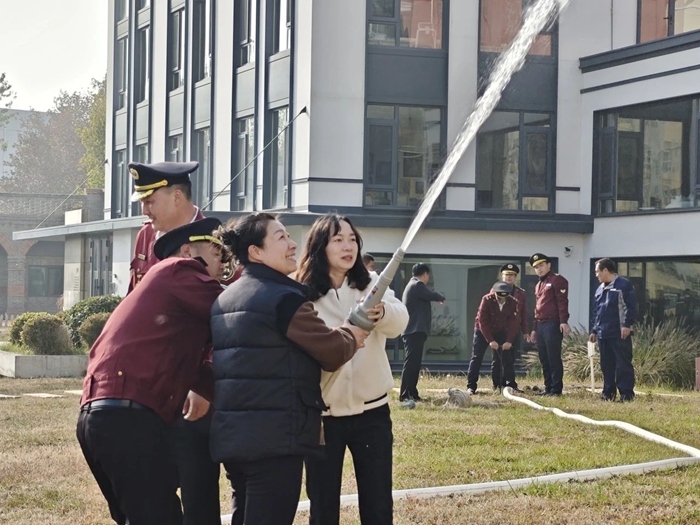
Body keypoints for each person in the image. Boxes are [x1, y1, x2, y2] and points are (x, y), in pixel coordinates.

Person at [209, 213, 369, 525]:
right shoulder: (284, 298)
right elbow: (333, 351)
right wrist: (352, 332)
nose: (293, 244)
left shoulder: (224, 299)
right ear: (256, 252)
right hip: (276, 441)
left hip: (234, 439)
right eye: (281, 237)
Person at [76, 218, 229, 525]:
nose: (223, 268)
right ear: (188, 252)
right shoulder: (180, 270)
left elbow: (191, 360)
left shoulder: (168, 295)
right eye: (217, 257)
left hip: (103, 417)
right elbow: (235, 309)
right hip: (127, 418)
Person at [127, 160, 222, 525]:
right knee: (154, 486)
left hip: (193, 382)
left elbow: (222, 314)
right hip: (152, 385)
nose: (144, 210)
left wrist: (205, 385)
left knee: (198, 486)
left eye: (150, 202)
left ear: (178, 196)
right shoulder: (144, 237)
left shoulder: (214, 238)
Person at [296, 214, 408, 525]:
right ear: (320, 246)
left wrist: (382, 311)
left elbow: (400, 322)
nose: (348, 246)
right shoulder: (300, 289)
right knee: (322, 501)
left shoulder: (371, 284)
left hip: (371, 413)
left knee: (377, 502)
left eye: (352, 239)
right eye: (338, 239)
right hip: (322, 416)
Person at [589, 258, 638, 402]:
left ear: (606, 270)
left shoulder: (623, 285)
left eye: (598, 271)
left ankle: (626, 394)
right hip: (603, 333)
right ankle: (608, 393)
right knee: (606, 364)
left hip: (619, 333)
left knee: (622, 364)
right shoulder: (599, 289)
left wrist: (626, 325)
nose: (596, 275)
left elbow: (631, 307)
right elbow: (596, 311)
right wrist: (594, 330)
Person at [399, 263, 445, 402]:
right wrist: (440, 297)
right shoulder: (417, 285)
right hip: (414, 330)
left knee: (414, 363)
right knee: (411, 364)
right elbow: (430, 294)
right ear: (425, 274)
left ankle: (412, 392)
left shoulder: (412, 285)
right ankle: (406, 394)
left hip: (413, 330)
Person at [466, 282, 520, 394]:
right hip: (483, 331)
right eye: (499, 297)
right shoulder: (486, 300)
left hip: (500, 330)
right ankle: (471, 386)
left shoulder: (512, 302)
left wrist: (509, 341)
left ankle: (508, 384)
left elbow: (514, 323)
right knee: (477, 357)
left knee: (506, 357)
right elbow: (482, 321)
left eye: (504, 298)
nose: (501, 300)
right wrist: (490, 340)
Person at [529, 253, 570, 396]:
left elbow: (562, 302)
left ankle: (556, 389)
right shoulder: (538, 284)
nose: (538, 269)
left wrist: (563, 320)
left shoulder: (558, 280)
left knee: (553, 357)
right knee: (544, 358)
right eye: (535, 267)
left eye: (541, 265)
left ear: (549, 265)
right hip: (540, 324)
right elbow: (537, 309)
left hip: (553, 323)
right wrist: (534, 329)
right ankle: (548, 387)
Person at [493, 263, 530, 390]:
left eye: (512, 275)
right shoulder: (495, 290)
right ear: (502, 276)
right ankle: (497, 384)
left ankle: (509, 383)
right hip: (498, 329)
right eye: (506, 275)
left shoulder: (520, 293)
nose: (509, 277)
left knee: (511, 357)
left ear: (515, 277)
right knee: (497, 358)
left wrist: (525, 331)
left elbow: (524, 312)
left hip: (513, 329)